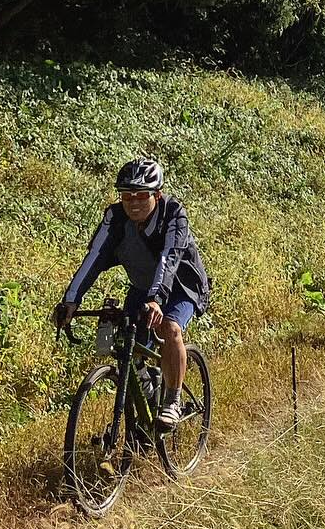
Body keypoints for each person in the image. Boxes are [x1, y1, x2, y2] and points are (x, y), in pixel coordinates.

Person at [53, 157, 210, 428]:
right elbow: (94, 258)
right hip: (142, 288)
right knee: (127, 344)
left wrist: (157, 300)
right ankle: (148, 393)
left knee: (170, 330)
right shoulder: (115, 218)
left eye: (141, 196)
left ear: (156, 195)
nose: (133, 203)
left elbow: (168, 259)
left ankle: (172, 401)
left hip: (183, 288)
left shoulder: (173, 214)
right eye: (127, 196)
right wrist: (71, 300)